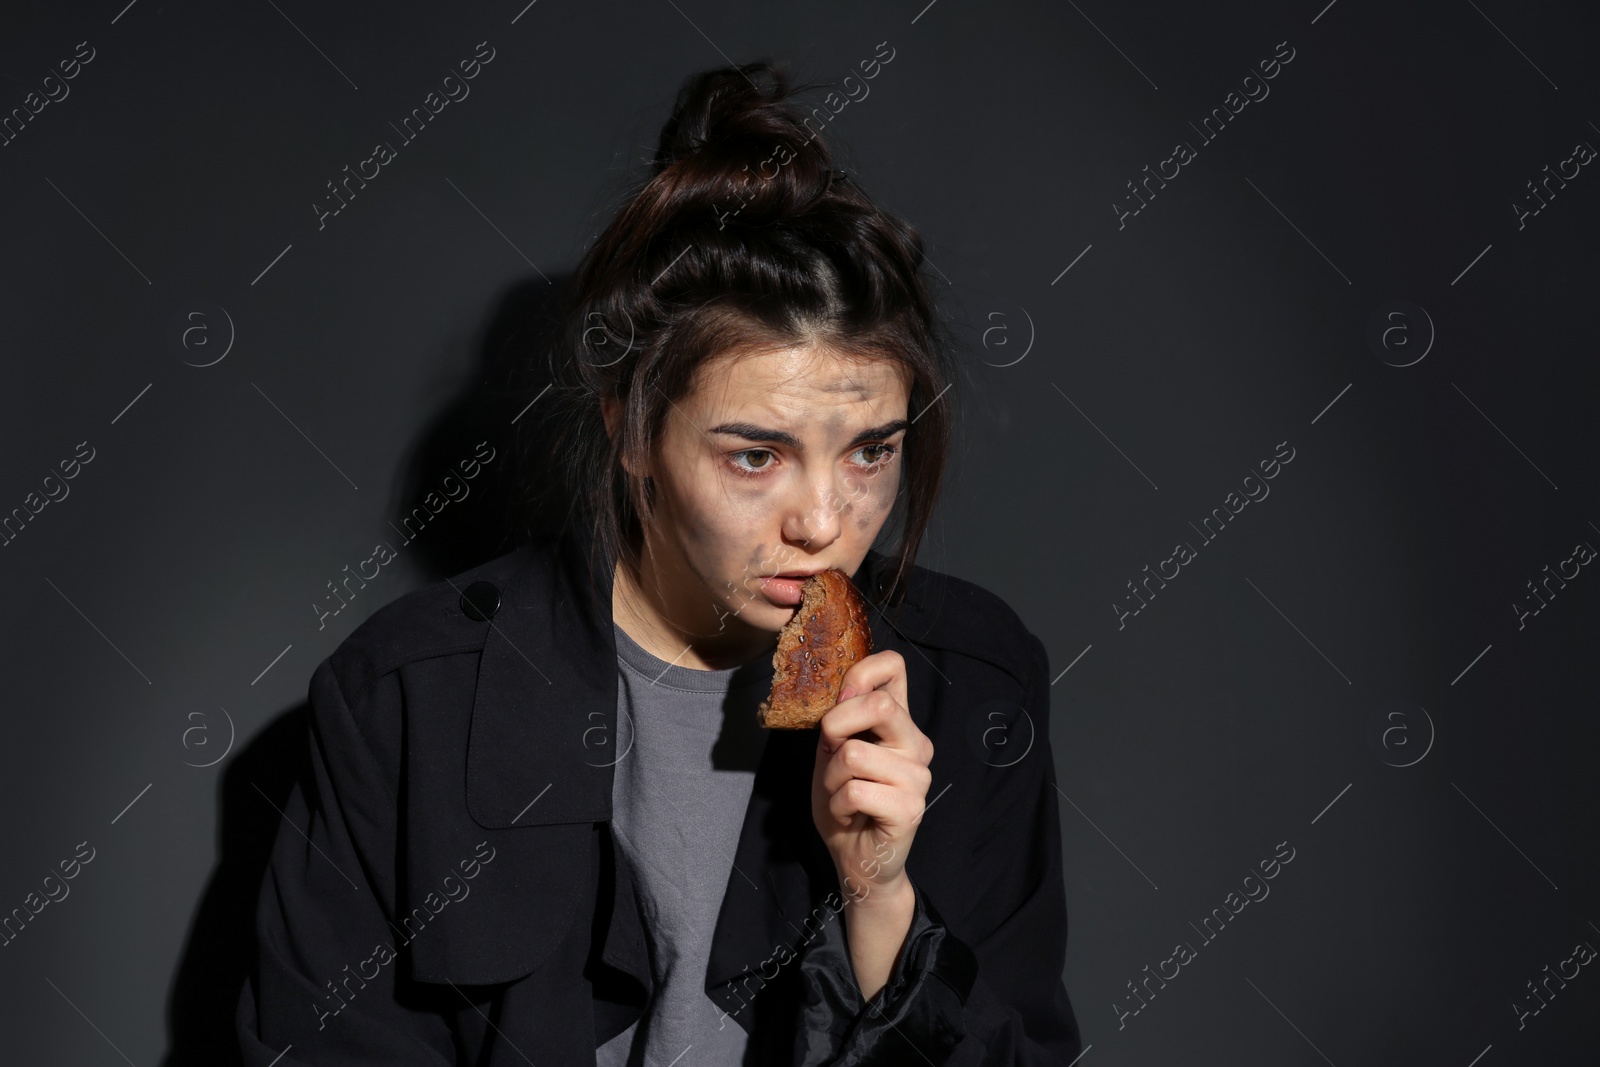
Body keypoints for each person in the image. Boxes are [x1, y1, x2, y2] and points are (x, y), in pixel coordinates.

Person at [236, 60, 1083, 1066]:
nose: (824, 520)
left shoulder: (973, 682)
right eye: (755, 454)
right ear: (631, 430)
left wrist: (880, 899)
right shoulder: (403, 699)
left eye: (871, 449)